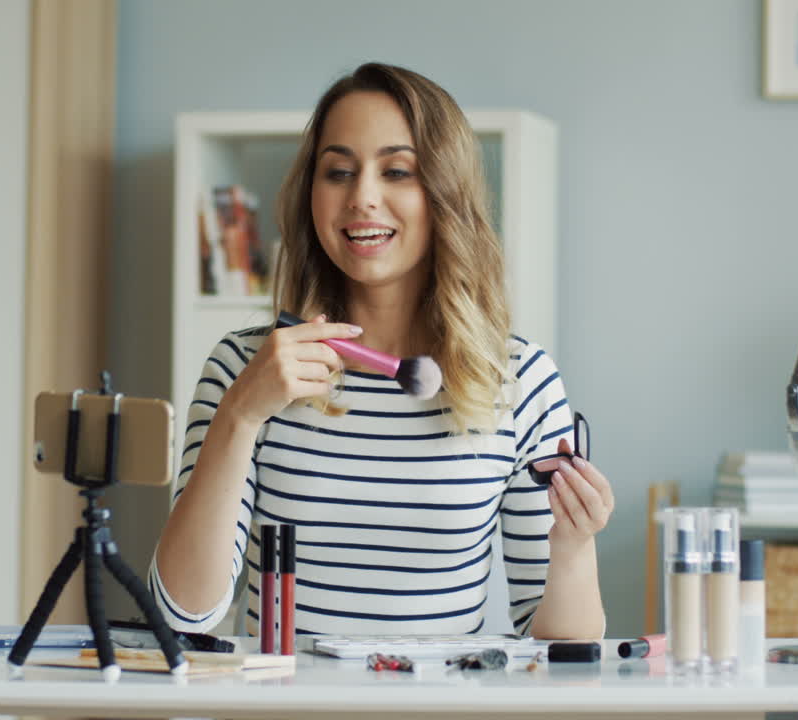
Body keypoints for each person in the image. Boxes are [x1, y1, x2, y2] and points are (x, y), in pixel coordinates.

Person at [151, 62, 613, 640]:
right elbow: (183, 612)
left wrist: (573, 548)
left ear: (445, 193)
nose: (363, 198)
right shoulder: (245, 369)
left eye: (397, 171)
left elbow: (559, 654)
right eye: (338, 172)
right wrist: (242, 414)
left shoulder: (518, 378)